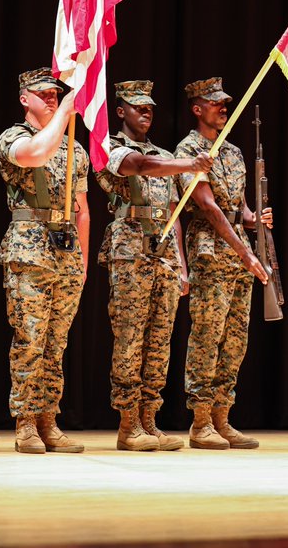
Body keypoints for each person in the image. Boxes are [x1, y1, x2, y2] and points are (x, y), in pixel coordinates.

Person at [96, 79, 214, 451]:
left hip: (163, 255)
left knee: (159, 340)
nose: (146, 113)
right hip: (130, 252)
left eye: (150, 107)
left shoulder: (164, 154)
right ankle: (128, 424)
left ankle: (150, 419)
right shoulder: (111, 148)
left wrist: (180, 262)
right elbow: (139, 165)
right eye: (137, 107)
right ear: (121, 112)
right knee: (130, 339)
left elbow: (174, 213)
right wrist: (189, 163)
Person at [0, 68, 90, 454]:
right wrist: (67, 110)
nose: (52, 98)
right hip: (29, 250)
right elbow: (36, 154)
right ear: (24, 98)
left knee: (56, 343)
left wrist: (81, 262)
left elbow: (82, 209)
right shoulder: (12, 138)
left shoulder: (75, 150)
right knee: (30, 339)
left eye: (56, 94)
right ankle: (26, 424)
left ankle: (49, 419)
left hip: (66, 253)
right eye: (44, 94)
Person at [175, 77, 272, 449]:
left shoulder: (232, 152)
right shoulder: (190, 150)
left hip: (237, 254)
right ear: (197, 108)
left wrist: (255, 219)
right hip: (210, 251)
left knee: (235, 339)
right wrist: (245, 251)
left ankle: (222, 416)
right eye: (215, 103)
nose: (223, 108)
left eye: (224, 102)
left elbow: (237, 208)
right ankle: (200, 424)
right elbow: (209, 207)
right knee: (207, 337)